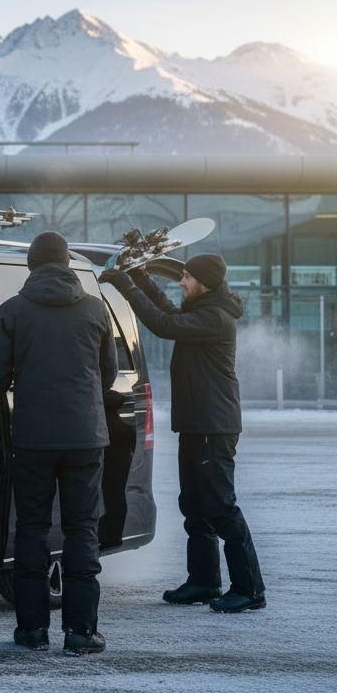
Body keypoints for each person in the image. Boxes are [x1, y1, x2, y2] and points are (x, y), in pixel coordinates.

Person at [100, 254, 265, 613]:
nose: (182, 281)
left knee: (220, 507)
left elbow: (163, 324)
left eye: (187, 277)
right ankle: (204, 581)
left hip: (213, 426)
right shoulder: (203, 308)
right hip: (196, 423)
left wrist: (125, 286)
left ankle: (249, 589)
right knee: (194, 506)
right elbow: (169, 312)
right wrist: (141, 278)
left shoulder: (215, 318)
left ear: (205, 282)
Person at [0, 231, 116, 656]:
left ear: (31, 264)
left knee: (32, 529)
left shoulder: (13, 310)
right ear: (67, 263)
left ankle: (32, 631)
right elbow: (109, 374)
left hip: (34, 439)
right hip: (85, 437)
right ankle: (80, 632)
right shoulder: (96, 309)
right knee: (82, 529)